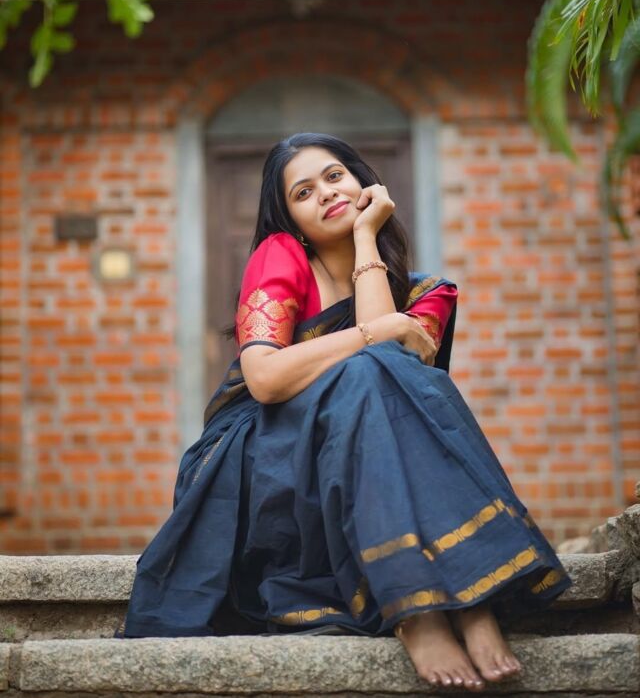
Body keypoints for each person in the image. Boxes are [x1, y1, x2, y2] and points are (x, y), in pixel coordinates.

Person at [117, 133, 572, 691]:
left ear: (363, 182)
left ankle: (473, 604)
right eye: (303, 192)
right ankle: (423, 610)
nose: (326, 193)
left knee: (377, 376)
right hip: (266, 455)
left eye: (334, 177)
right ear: (289, 217)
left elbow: (390, 369)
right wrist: (377, 330)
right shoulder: (280, 255)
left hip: (366, 455)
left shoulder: (427, 294)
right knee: (365, 369)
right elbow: (265, 379)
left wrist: (364, 236)